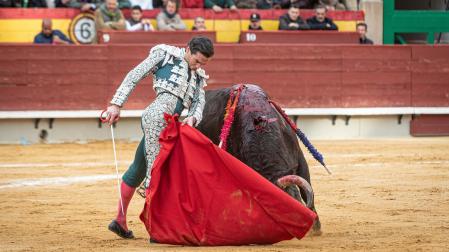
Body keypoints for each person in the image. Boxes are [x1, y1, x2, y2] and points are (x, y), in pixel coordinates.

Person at [105, 36, 214, 239]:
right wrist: (116, 104)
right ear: (188, 49)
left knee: (139, 168)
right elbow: (135, 75)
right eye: (197, 60)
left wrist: (192, 118)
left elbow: (199, 102)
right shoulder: (165, 55)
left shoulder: (198, 76)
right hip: (156, 118)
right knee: (158, 175)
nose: (198, 66)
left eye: (203, 63)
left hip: (170, 127)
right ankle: (157, 230)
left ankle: (119, 219)